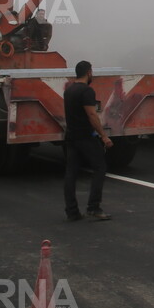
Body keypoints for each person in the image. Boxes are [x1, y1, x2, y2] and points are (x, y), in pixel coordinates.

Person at [63, 61, 113, 221]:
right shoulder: (87, 91)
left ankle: (72, 211)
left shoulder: (69, 90)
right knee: (100, 167)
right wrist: (103, 136)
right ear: (89, 72)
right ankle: (94, 207)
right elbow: (92, 115)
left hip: (71, 137)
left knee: (71, 173)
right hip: (85, 137)